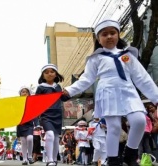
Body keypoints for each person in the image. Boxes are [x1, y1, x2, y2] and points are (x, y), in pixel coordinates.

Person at [63, 19, 158, 166]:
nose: (109, 36)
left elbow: (142, 78)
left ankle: (130, 154)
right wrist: (69, 91)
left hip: (128, 91)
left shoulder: (128, 55)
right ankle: (113, 160)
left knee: (139, 120)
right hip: (107, 92)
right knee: (113, 127)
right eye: (104, 34)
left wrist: (156, 98)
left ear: (118, 35)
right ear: (98, 39)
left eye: (112, 33)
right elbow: (86, 79)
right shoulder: (95, 58)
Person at [36, 64, 69, 166]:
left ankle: (54, 159)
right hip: (46, 115)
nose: (49, 74)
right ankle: (49, 159)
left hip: (57, 114)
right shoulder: (41, 87)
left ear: (56, 74)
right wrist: (37, 117)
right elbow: (36, 102)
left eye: (52, 71)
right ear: (43, 76)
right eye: (46, 72)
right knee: (49, 135)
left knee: (55, 137)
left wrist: (66, 94)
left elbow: (63, 99)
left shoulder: (58, 86)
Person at [16, 86, 40, 165]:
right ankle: (25, 159)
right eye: (22, 91)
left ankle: (30, 156)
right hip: (20, 125)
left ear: (29, 93)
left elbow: (35, 115)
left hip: (29, 125)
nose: (24, 93)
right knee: (23, 141)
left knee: (30, 138)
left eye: (26, 92)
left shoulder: (31, 103)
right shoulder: (17, 103)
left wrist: (37, 124)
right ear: (20, 93)